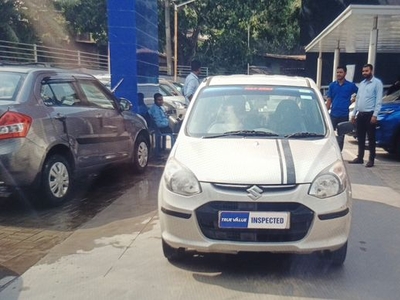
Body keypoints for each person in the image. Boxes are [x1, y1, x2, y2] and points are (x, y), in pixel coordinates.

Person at [349, 63, 383, 168]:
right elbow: (358, 100)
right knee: (360, 137)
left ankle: (371, 159)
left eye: (366, 71)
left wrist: (375, 115)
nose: (364, 73)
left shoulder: (377, 83)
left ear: (371, 71)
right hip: (361, 114)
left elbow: (378, 100)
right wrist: (354, 114)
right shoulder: (362, 84)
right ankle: (360, 158)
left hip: (370, 114)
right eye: (363, 71)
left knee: (371, 138)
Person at [326, 66, 358, 151]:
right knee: (329, 135)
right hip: (333, 114)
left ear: (345, 73)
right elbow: (329, 99)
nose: (338, 74)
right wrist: (325, 113)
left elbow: (359, 93)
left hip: (344, 115)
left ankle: (339, 154)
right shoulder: (332, 85)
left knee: (341, 137)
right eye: (337, 72)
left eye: (341, 72)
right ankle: (330, 153)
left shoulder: (350, 86)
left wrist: (353, 100)